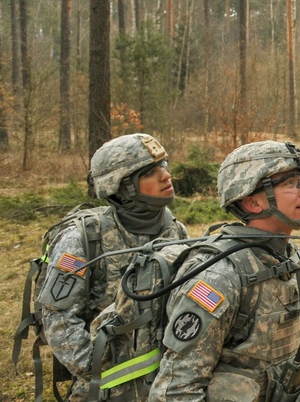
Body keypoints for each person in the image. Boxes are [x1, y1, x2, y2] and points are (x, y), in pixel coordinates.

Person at [148, 141, 300, 401]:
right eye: (290, 184)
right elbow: (175, 390)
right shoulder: (220, 276)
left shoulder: (288, 255)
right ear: (252, 202)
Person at [36, 133, 188, 401]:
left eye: (164, 166)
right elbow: (57, 318)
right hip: (106, 384)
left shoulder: (175, 231)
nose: (165, 176)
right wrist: (97, 374)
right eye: (150, 172)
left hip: (165, 378)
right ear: (123, 185)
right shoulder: (83, 239)